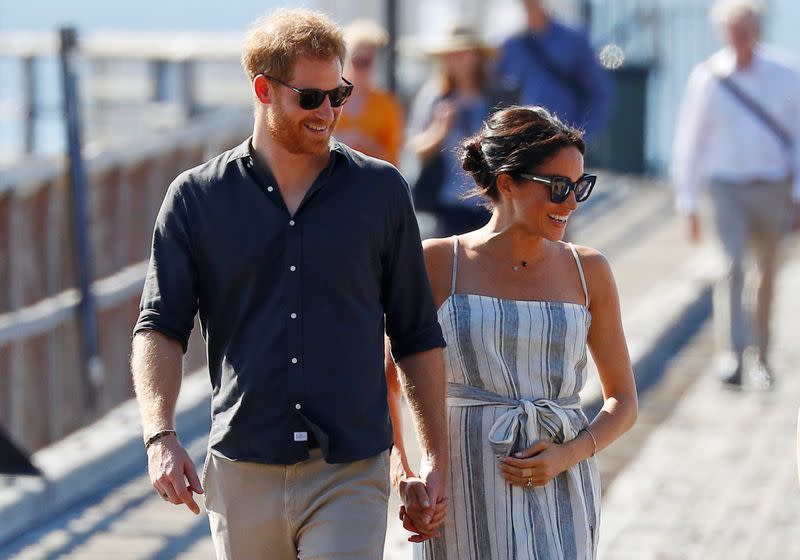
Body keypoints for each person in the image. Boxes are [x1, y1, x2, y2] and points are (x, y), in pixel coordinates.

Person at [130, 9, 449, 559]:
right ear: (263, 89)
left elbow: (416, 332)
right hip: (242, 468)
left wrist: (433, 456)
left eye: (339, 94)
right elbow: (159, 326)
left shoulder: (381, 193)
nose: (329, 112)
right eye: (311, 98)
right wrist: (160, 436)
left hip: (349, 468)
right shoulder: (195, 200)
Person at [391, 105, 638, 559]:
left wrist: (567, 455)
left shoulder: (590, 271)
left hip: (561, 485)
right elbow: (385, 379)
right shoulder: (437, 263)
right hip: (461, 484)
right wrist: (406, 473)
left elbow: (623, 401)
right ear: (507, 183)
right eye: (559, 187)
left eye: (580, 186)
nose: (571, 203)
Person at [671, 0, 800, 388]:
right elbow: (689, 142)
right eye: (732, 29)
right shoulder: (707, 77)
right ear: (723, 32)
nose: (739, 36)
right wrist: (688, 202)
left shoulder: (785, 73)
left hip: (772, 186)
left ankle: (761, 356)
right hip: (726, 186)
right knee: (730, 267)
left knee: (767, 275)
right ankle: (733, 355)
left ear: (757, 30)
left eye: (746, 28)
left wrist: (797, 193)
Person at [407, 24, 516, 238]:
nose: (456, 60)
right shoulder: (435, 97)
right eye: (451, 55)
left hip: (493, 203)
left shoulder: (499, 96)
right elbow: (417, 150)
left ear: (477, 56)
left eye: (462, 53)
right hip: (450, 206)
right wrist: (439, 130)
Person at [496, 0, 612, 140]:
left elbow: (598, 95)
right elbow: (496, 96)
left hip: (563, 142)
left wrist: (579, 137)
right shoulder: (511, 47)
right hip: (525, 145)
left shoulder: (573, 39)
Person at [334, 18, 405, 165]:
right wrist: (342, 140)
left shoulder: (387, 105)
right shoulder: (329, 97)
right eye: (356, 60)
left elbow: (393, 160)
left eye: (367, 62)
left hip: (372, 182)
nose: (360, 68)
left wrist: (365, 143)